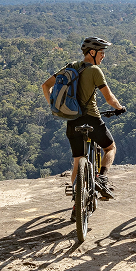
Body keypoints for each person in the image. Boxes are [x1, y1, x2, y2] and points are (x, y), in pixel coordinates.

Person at [42, 37, 124, 221]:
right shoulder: (95, 71)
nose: (103, 56)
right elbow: (109, 98)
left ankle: (75, 204)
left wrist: (54, 107)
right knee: (110, 148)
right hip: (92, 119)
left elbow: (45, 86)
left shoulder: (71, 66)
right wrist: (119, 108)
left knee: (78, 161)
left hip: (72, 121)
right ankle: (102, 178)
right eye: (102, 52)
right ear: (92, 53)